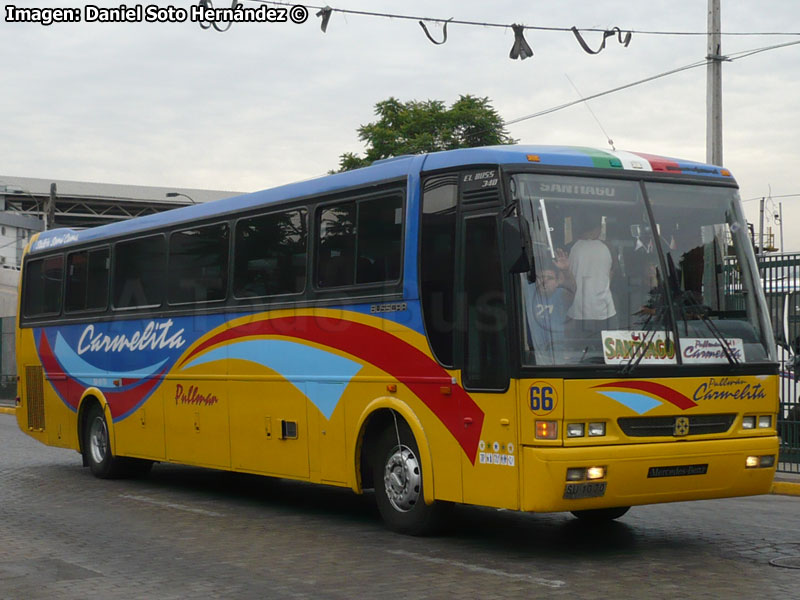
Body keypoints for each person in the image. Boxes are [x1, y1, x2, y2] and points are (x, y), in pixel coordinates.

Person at [567, 214, 616, 334]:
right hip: (604, 310)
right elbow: (612, 273)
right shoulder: (608, 247)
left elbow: (566, 279)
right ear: (597, 229)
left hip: (577, 310)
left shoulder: (570, 247)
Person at [526, 249, 575, 364]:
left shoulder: (561, 295)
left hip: (556, 353)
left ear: (558, 281)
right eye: (541, 277)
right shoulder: (528, 291)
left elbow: (572, 290)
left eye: (550, 278)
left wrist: (566, 270)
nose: (544, 281)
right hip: (532, 352)